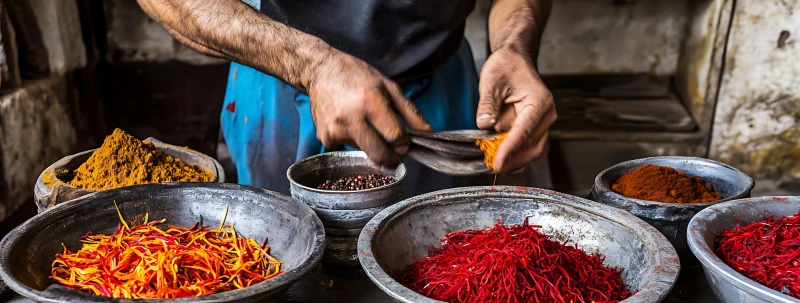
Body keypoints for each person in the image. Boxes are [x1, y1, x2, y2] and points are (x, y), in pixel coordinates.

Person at [137, 0, 557, 195]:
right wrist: (312, 66)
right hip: (282, 81)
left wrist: (514, 45)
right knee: (286, 281)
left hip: (440, 90)